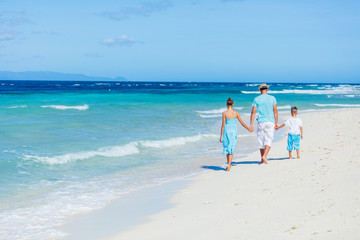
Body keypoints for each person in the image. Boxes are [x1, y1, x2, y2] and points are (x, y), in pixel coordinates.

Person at [220, 97, 252, 171]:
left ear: (226, 104)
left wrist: (221, 136)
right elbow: (242, 123)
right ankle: (229, 164)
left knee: (227, 147)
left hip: (226, 131)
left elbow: (223, 125)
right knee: (231, 147)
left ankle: (228, 164)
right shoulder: (236, 113)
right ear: (233, 104)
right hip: (233, 131)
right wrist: (248, 129)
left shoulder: (224, 113)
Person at [249, 83, 278, 164]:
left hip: (261, 121)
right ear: (267, 90)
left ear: (260, 90)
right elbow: (275, 111)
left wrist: (251, 124)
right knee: (268, 139)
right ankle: (264, 156)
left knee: (261, 140)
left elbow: (253, 112)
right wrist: (276, 122)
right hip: (270, 121)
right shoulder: (272, 98)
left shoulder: (256, 99)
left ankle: (262, 159)